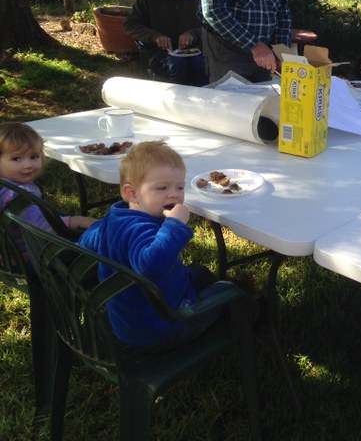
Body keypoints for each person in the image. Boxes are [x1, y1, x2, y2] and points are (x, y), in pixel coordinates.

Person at [78, 141, 235, 352]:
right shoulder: (140, 230)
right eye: (162, 188)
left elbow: (86, 244)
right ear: (132, 193)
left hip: (134, 317)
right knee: (228, 291)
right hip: (162, 329)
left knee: (199, 272)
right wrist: (175, 225)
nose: (174, 194)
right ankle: (251, 314)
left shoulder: (114, 218)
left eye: (179, 187)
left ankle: (207, 301)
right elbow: (151, 265)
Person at [0, 122, 96, 240]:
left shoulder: (8, 185)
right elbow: (40, 225)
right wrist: (74, 221)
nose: (28, 165)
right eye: (17, 158)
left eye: (34, 156)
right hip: (34, 252)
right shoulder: (13, 194)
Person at [123, 0, 207, 86]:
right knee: (178, 66)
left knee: (202, 67)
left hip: (194, 50)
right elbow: (130, 24)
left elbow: (211, 26)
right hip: (161, 52)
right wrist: (155, 37)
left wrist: (193, 34)